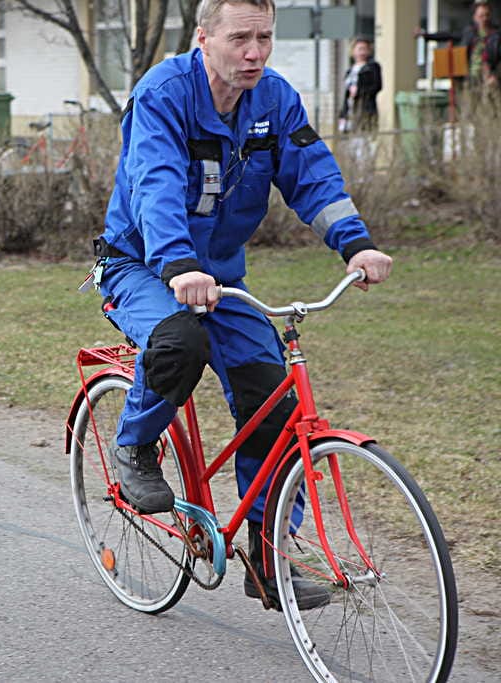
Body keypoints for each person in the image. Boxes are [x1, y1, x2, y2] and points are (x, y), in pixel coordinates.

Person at [91, 0, 392, 611]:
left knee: (273, 399)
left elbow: (312, 175)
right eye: (239, 38)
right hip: (141, 263)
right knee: (180, 341)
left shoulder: (274, 99)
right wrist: (178, 264)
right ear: (204, 38)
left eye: (264, 38)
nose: (254, 53)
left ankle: (267, 556)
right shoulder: (164, 93)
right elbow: (155, 183)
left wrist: (355, 244)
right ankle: (135, 446)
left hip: (220, 278)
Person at [420, 1, 500, 97]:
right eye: (481, 16)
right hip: (469, 81)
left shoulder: (496, 35)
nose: (484, 19)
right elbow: (448, 35)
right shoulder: (468, 32)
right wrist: (426, 35)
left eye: (487, 15)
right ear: (475, 17)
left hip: (490, 82)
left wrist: (496, 76)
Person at [337, 38, 382, 134]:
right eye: (360, 49)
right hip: (350, 109)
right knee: (350, 138)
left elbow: (377, 86)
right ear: (353, 51)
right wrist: (342, 114)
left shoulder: (372, 67)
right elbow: (346, 94)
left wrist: (359, 90)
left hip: (365, 107)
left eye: (365, 49)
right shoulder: (350, 70)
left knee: (364, 136)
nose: (362, 52)